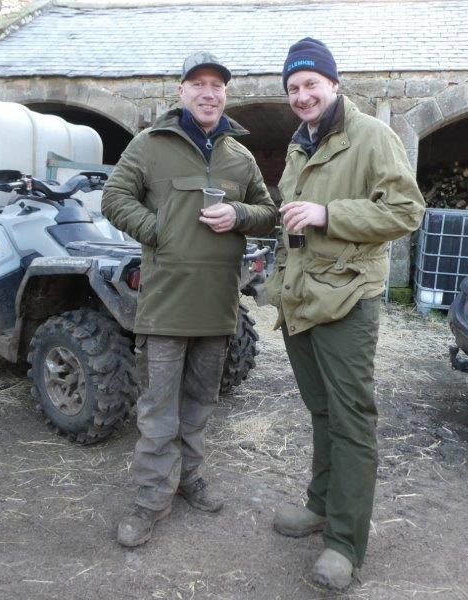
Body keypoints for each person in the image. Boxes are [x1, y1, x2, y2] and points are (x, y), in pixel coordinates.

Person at [265, 38, 425, 590]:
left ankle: (344, 543)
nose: (302, 95)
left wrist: (327, 214)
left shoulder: (371, 136)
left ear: (334, 84)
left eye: (311, 83)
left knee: (351, 419)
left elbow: (406, 211)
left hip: (349, 298)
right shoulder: (299, 144)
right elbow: (291, 217)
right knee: (321, 411)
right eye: (293, 88)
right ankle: (319, 506)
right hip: (302, 297)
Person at [101, 51, 277, 548]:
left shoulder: (239, 156)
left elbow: (269, 211)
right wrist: (159, 230)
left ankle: (189, 478)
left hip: (218, 306)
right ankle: (150, 499)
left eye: (216, 85)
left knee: (200, 403)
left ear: (225, 95)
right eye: (198, 84)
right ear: (181, 91)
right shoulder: (149, 145)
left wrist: (239, 215)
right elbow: (114, 197)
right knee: (158, 409)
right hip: (165, 305)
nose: (208, 93)